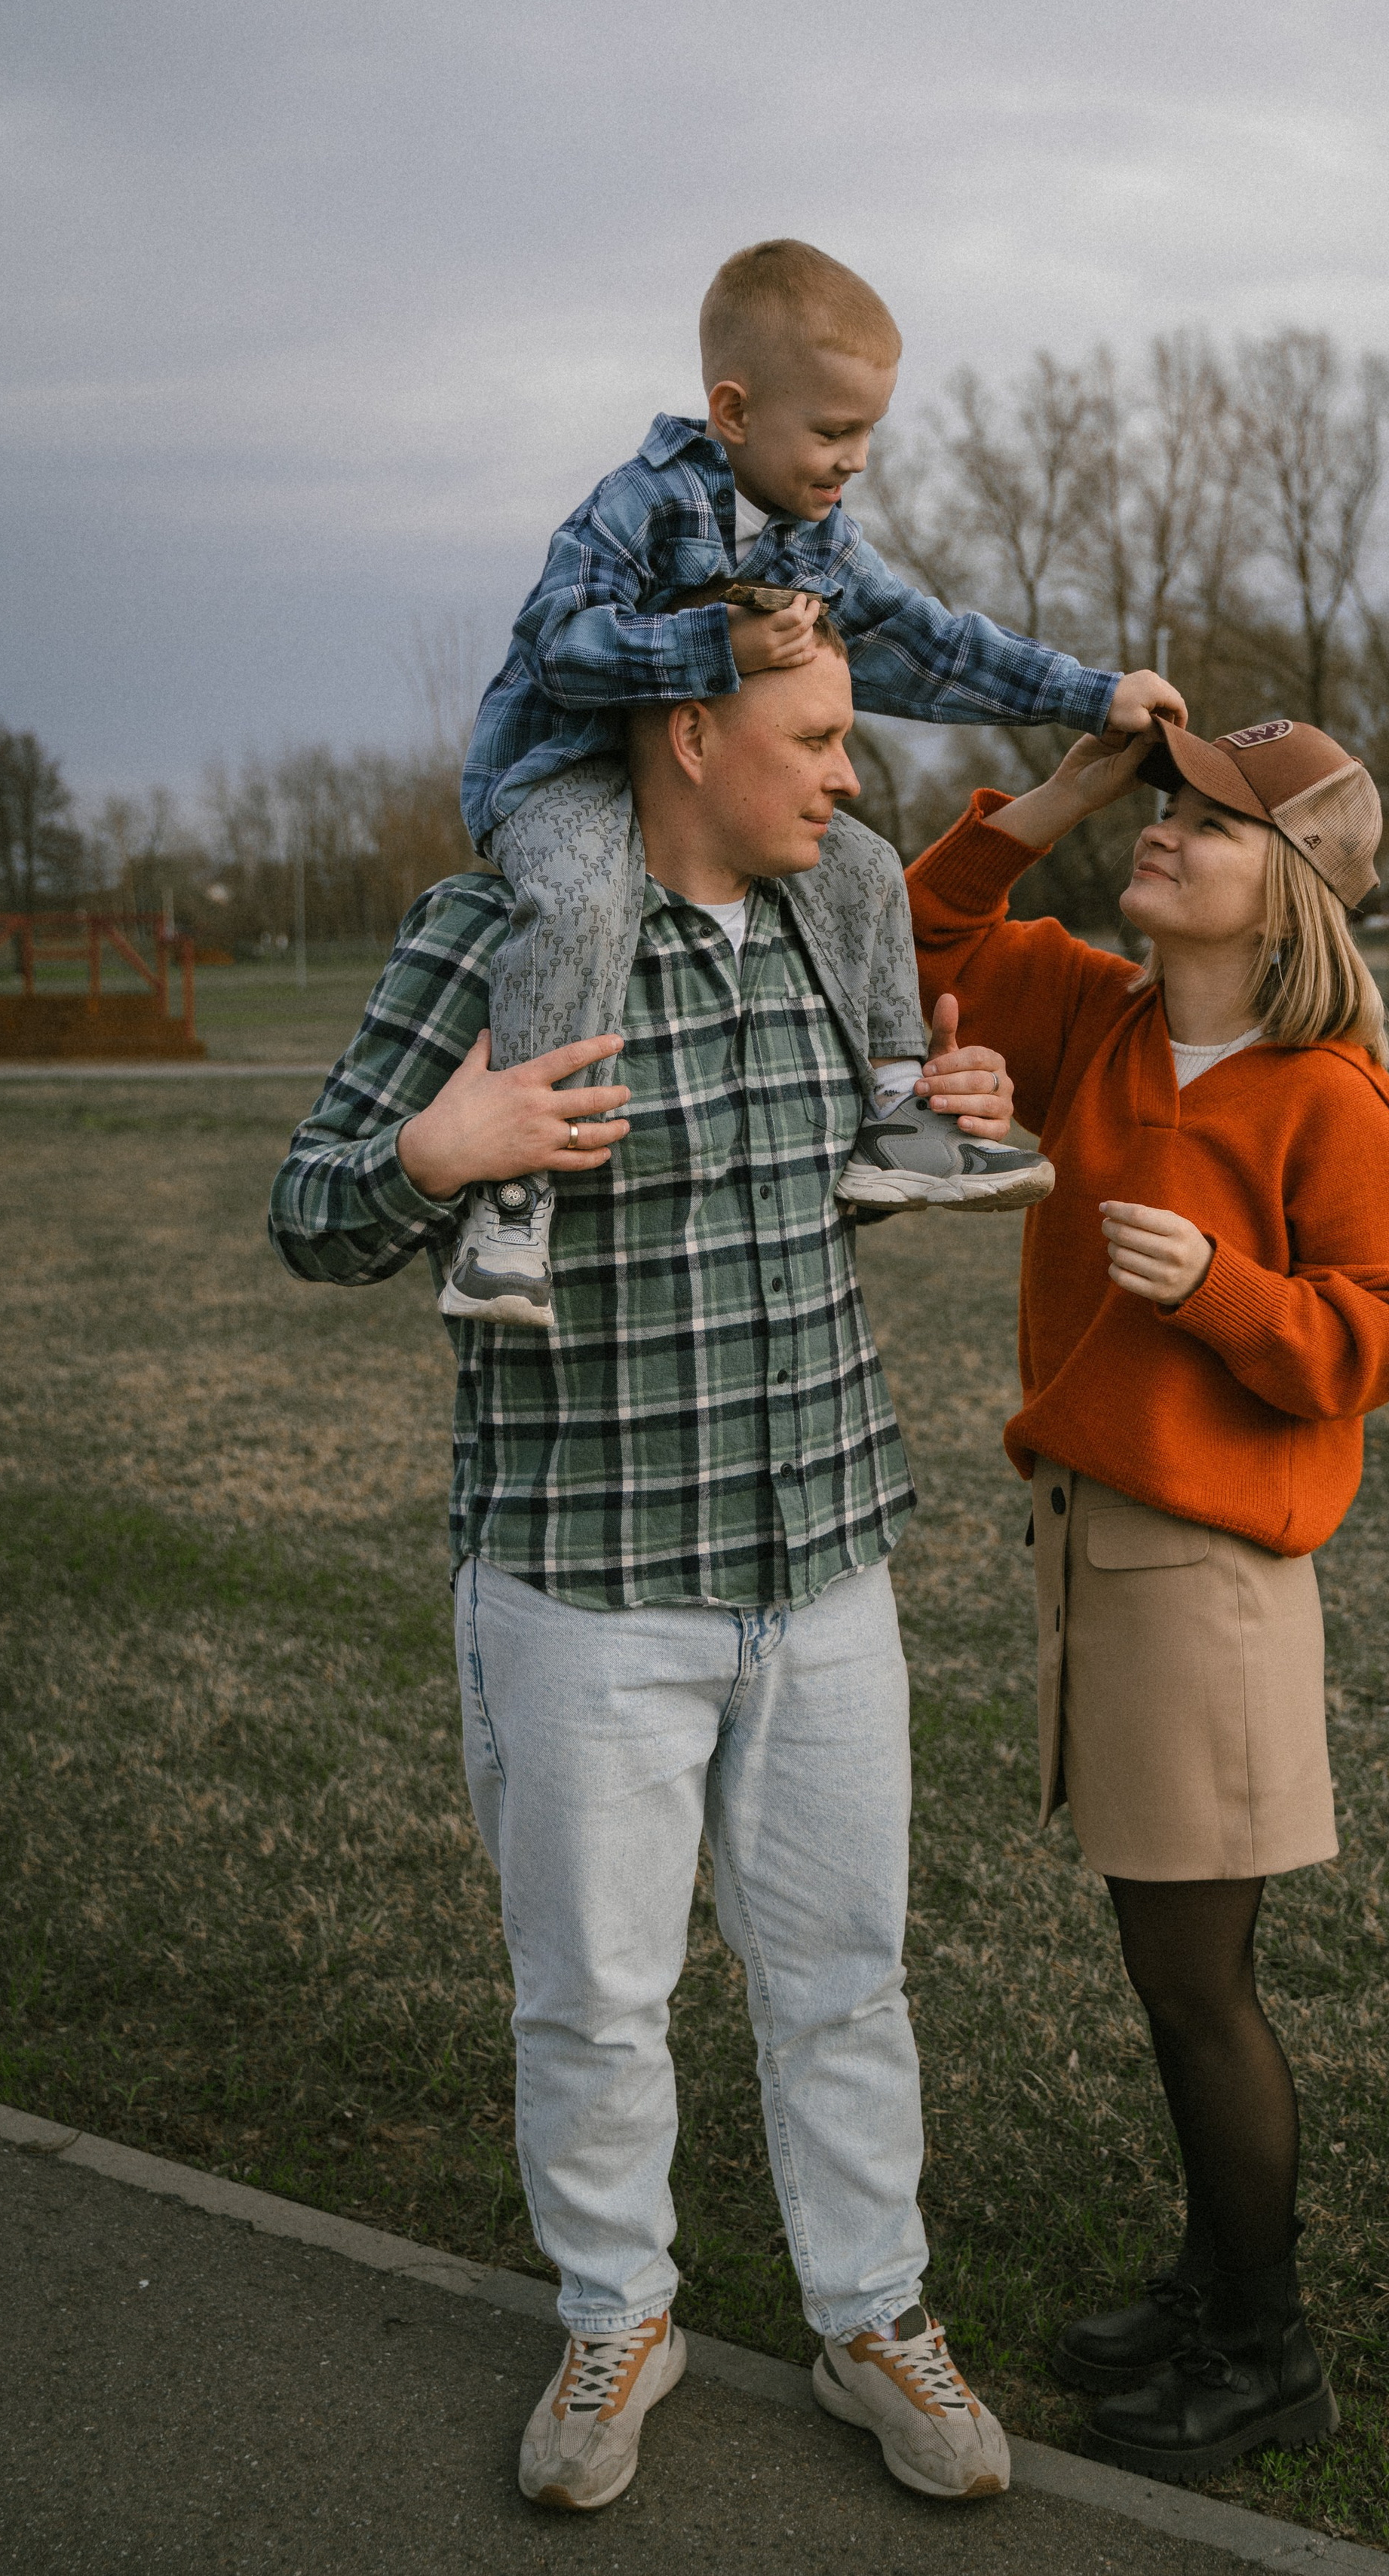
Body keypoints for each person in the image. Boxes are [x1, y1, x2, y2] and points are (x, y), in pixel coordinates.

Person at [270, 639, 1025, 2515]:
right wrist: (440, 1151)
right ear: (691, 732)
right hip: (587, 1582)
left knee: (843, 1978)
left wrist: (954, 1106)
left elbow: (872, 1170)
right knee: (594, 1995)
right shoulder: (500, 930)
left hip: (823, 1557)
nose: (851, 775)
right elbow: (309, 1204)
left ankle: (873, 2315)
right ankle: (618, 2311)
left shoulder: (823, 927)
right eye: (820, 737)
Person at [904, 713, 1389, 2483]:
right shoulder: (1101, 1019)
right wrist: (1057, 796)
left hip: (1206, 1580)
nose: (1162, 831)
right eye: (1161, 803)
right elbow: (915, 936)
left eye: (1203, 821)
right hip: (1095, 1543)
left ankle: (1261, 2348)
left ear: (1281, 890)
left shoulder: (1316, 1091)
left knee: (1195, 1987)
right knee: (1168, 1973)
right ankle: (1207, 2279)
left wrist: (1228, 1289)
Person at [447, 234, 1185, 1329]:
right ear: (735, 412)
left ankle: (898, 1120)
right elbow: (558, 645)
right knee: (586, 893)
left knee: (870, 864)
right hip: (561, 775)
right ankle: (512, 1205)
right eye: (834, 431)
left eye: (871, 432)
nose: (856, 460)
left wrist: (1092, 695)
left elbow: (934, 647)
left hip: (705, 800)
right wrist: (717, 646)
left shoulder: (817, 540)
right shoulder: (639, 504)